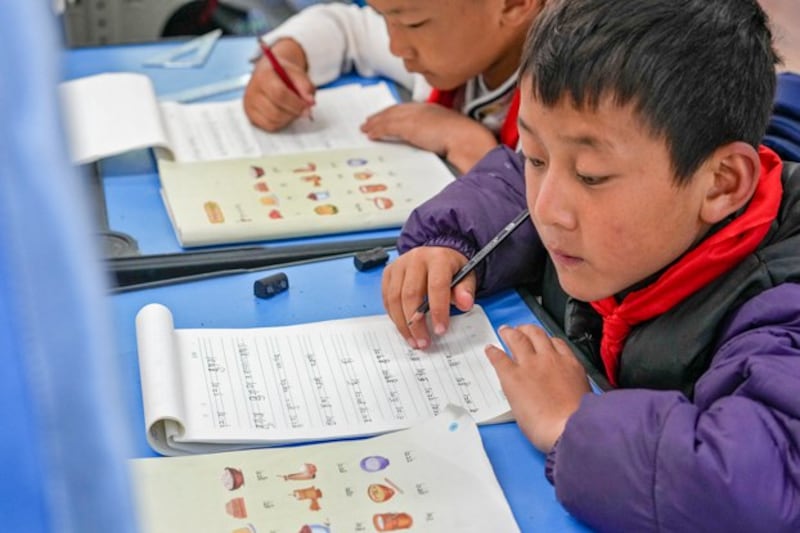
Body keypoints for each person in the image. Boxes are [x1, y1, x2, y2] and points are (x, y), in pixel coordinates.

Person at [381, 0, 800, 530]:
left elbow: (760, 485)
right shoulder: (619, 215)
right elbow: (510, 184)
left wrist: (571, 424)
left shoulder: (782, 302)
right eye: (537, 157)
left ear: (721, 183)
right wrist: (449, 242)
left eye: (592, 176)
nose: (548, 209)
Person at [243, 0, 544, 173]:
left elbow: (542, 230)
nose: (396, 46)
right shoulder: (464, 40)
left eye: (414, 25)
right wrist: (285, 56)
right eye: (383, 16)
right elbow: (349, 27)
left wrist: (467, 145)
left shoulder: (563, 101)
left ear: (514, 4)